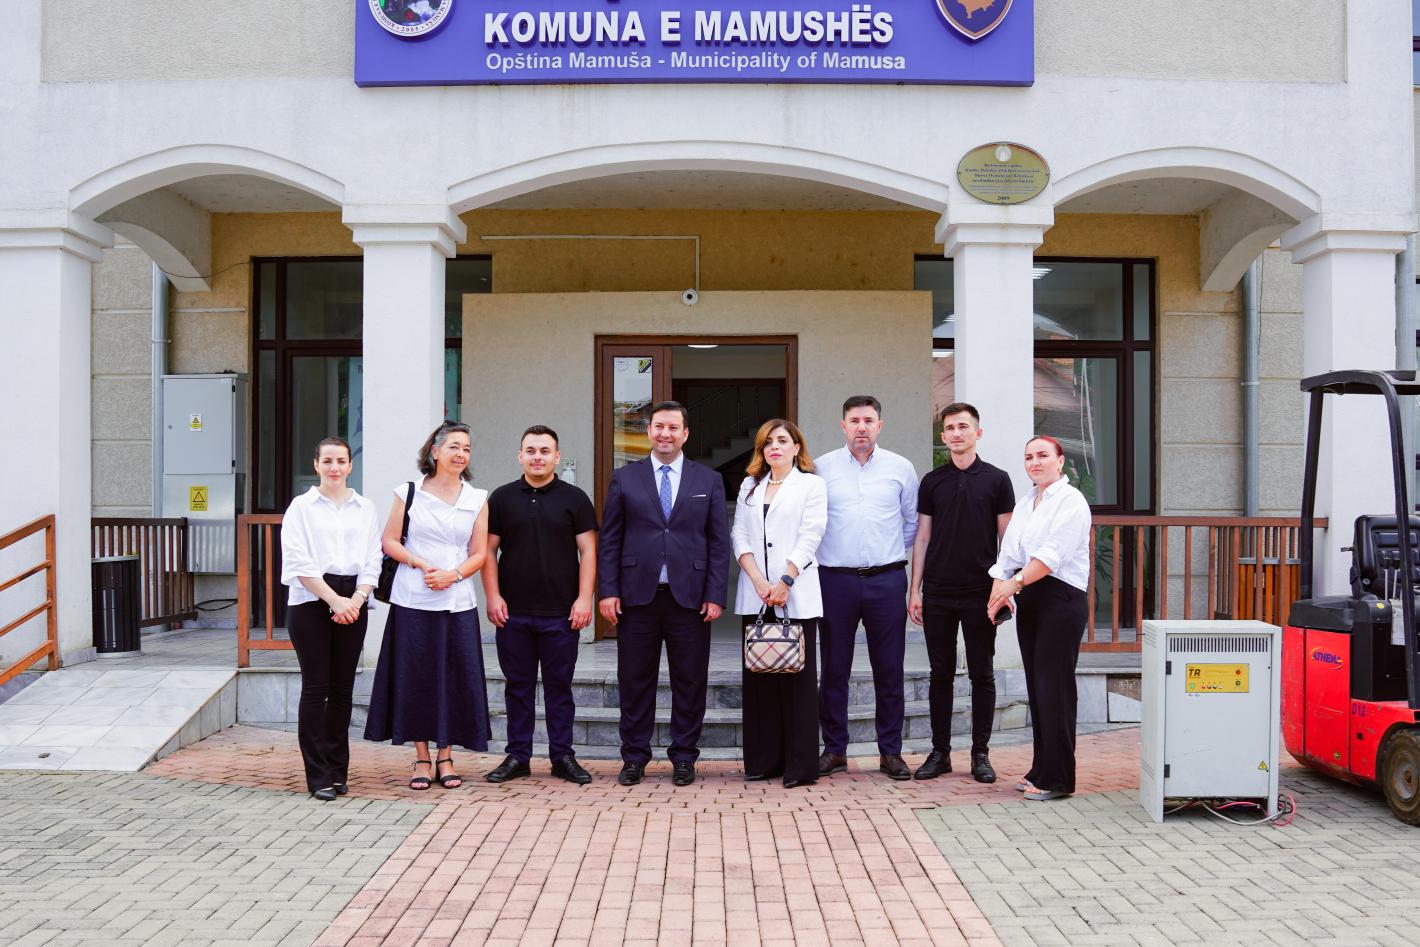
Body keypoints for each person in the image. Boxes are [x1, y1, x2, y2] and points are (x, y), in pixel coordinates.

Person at [598, 400, 730, 787]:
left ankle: (684, 757)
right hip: (636, 598)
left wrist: (715, 594)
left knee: (690, 681)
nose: (665, 434)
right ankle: (634, 757)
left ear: (685, 434)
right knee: (634, 680)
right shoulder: (625, 478)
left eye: (673, 427)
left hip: (690, 599)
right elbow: (610, 539)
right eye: (659, 426)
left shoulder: (708, 480)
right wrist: (608, 591)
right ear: (648, 432)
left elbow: (718, 542)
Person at [364, 420, 491, 791]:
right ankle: (421, 757)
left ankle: (446, 756)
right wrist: (420, 564)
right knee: (416, 676)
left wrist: (453, 575)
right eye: (453, 446)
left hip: (458, 601)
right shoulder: (409, 492)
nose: (461, 454)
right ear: (435, 451)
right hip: (412, 599)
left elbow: (480, 553)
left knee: (453, 677)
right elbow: (389, 541)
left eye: (466, 448)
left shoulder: (477, 498)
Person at [482, 425, 598, 785]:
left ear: (557, 457)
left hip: (561, 614)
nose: (537, 457)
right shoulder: (501, 498)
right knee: (517, 687)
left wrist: (584, 599)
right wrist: (492, 596)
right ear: (520, 455)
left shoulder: (575, 498)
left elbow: (589, 551)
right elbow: (487, 551)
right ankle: (518, 757)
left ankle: (562, 756)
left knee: (559, 688)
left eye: (545, 451)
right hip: (512, 614)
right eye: (530, 450)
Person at [908, 403, 1015, 783]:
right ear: (943, 437)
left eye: (963, 427)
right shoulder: (932, 481)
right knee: (940, 674)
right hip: (938, 591)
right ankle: (940, 753)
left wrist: (1005, 586)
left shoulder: (998, 480)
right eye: (950, 428)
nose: (956, 433)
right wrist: (915, 590)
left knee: (982, 674)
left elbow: (1008, 540)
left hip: (981, 593)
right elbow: (922, 537)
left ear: (977, 433)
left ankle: (980, 754)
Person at [815, 395, 919, 780]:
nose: (862, 427)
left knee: (889, 669)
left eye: (868, 420)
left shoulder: (900, 468)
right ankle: (834, 750)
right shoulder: (821, 468)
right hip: (835, 580)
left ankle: (890, 752)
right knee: (834, 668)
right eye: (855, 420)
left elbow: (912, 522)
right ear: (843, 425)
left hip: (886, 580)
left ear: (880, 425)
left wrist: (885, 552)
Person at [987, 435, 1092, 802]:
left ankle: (1058, 778)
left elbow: (1051, 556)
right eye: (1029, 457)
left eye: (1043, 455)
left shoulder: (1071, 501)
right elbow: (1009, 552)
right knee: (1038, 687)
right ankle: (1040, 768)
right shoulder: (1027, 502)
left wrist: (1012, 584)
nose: (1035, 462)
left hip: (1061, 599)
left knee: (1055, 689)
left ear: (1060, 461)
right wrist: (998, 590)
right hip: (1031, 596)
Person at [279, 436, 383, 801]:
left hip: (354, 598)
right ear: (316, 465)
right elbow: (297, 560)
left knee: (342, 689)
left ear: (350, 465)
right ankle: (317, 775)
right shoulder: (301, 507)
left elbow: (373, 558)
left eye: (341, 461)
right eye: (328, 461)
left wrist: (356, 598)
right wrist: (334, 600)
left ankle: (339, 771)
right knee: (316, 687)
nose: (334, 467)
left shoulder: (365, 508)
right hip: (311, 598)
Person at [731, 420, 828, 789]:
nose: (775, 447)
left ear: (796, 447)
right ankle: (763, 762)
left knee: (797, 682)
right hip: (756, 593)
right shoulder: (749, 486)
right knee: (760, 680)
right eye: (768, 442)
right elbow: (739, 533)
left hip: (795, 593)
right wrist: (758, 580)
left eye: (782, 441)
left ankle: (800, 767)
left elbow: (811, 534)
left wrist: (785, 580)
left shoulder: (812, 485)